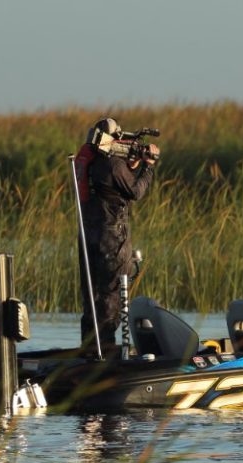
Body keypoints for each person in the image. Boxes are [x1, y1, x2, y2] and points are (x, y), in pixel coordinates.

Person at [77, 118, 159, 357]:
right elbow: (134, 191)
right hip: (112, 235)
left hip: (87, 234)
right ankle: (110, 353)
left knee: (92, 295)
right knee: (113, 292)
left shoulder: (90, 162)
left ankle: (91, 350)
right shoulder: (112, 164)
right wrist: (149, 166)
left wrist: (131, 164)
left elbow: (113, 184)